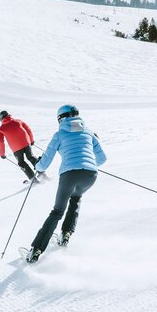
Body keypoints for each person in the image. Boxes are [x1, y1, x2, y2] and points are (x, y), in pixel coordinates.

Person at [26, 104, 106, 263]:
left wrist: (38, 166)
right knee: (76, 198)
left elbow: (44, 163)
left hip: (69, 175)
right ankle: (66, 234)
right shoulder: (89, 132)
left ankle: (36, 250)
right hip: (90, 175)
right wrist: (88, 163)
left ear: (61, 118)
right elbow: (102, 159)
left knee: (57, 212)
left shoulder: (60, 134)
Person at [0, 110, 42, 182]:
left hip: (16, 149)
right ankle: (42, 172)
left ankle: (33, 179)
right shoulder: (18, 121)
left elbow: (0, 142)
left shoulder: (1, 129)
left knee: (21, 162)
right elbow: (28, 129)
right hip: (26, 144)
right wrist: (31, 140)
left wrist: (2, 154)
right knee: (31, 157)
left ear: (1, 119)